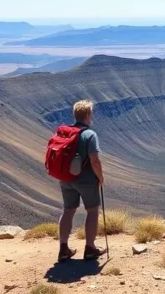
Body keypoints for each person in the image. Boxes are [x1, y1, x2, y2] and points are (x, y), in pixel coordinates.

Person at [57, 100, 106, 262]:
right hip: (85, 180)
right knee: (92, 210)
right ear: (88, 115)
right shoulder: (89, 135)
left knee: (68, 210)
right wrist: (100, 177)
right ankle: (90, 248)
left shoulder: (64, 133)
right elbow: (95, 160)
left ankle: (63, 248)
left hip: (65, 178)